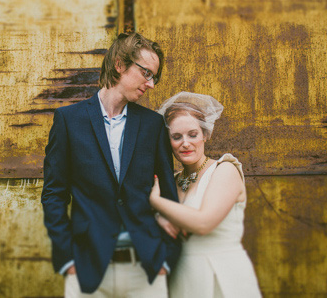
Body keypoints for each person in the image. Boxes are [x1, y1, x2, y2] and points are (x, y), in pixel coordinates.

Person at [41, 32, 181, 297]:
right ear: (119, 64)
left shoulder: (153, 125)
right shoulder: (69, 120)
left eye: (154, 77)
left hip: (146, 271)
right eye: (146, 73)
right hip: (87, 269)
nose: (150, 84)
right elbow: (54, 194)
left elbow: (168, 192)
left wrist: (166, 259)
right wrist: (67, 258)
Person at [150, 92, 261, 298]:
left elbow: (203, 223)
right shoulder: (171, 182)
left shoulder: (224, 170)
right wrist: (158, 218)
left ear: (205, 134)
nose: (185, 143)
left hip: (223, 274)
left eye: (192, 134)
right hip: (182, 279)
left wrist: (156, 202)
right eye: (176, 137)